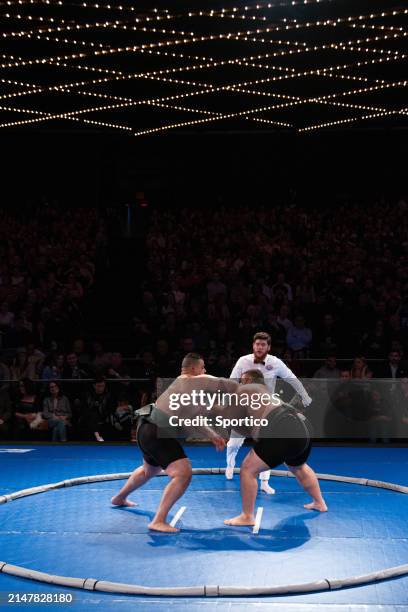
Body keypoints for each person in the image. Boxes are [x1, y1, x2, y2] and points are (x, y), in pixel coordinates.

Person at [111, 353, 227, 533]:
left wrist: (213, 436)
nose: (205, 371)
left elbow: (194, 418)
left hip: (147, 429)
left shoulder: (189, 390)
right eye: (203, 368)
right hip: (155, 431)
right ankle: (158, 520)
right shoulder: (186, 379)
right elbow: (217, 381)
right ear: (194, 369)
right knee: (183, 472)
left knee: (150, 470)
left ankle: (119, 497)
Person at [222, 383, 327, 527]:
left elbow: (242, 427)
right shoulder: (260, 392)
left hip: (284, 427)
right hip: (302, 423)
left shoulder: (239, 396)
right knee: (298, 466)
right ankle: (319, 503)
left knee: (248, 469)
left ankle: (247, 516)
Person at [225, 332, 312, 494]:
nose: (259, 347)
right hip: (243, 408)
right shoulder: (243, 361)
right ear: (253, 346)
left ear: (268, 347)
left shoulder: (276, 362)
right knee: (234, 443)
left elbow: (291, 378)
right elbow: (231, 382)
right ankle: (230, 466)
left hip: (266, 412)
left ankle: (264, 482)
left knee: (267, 446)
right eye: (257, 344)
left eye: (263, 345)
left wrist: (305, 396)